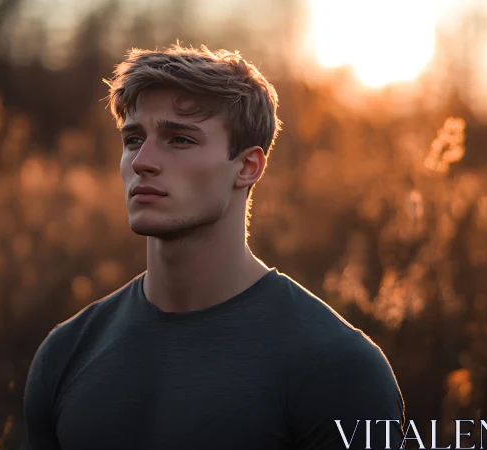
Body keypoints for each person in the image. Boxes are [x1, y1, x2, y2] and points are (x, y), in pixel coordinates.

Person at [23, 44, 405, 450]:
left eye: (180, 139)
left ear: (247, 167)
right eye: (133, 139)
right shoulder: (65, 353)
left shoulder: (338, 367)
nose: (142, 161)